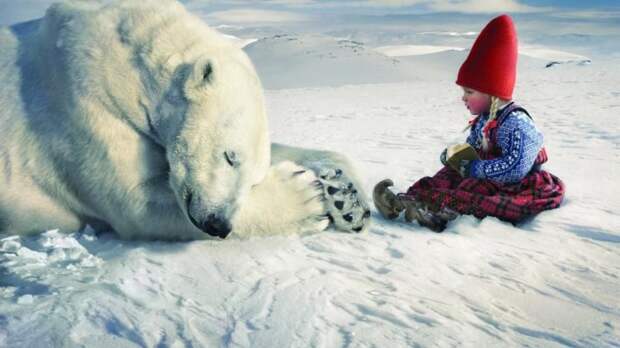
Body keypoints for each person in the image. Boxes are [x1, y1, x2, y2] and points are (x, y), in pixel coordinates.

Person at [373, 14, 565, 232]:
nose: (463, 97)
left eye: (469, 91)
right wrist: (456, 158)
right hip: (483, 174)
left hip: (514, 185)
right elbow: (473, 146)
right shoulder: (485, 119)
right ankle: (408, 200)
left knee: (473, 192)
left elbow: (515, 168)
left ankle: (437, 210)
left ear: (493, 93)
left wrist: (475, 168)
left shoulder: (517, 124)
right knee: (448, 175)